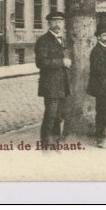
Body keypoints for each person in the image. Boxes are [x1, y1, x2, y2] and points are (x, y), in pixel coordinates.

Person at [34, 11, 72, 145]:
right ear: (49, 24)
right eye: (54, 22)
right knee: (50, 116)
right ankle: (46, 144)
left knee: (59, 116)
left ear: (63, 24)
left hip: (62, 85)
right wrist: (61, 62)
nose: (57, 25)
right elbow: (41, 62)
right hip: (50, 85)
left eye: (60, 22)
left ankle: (56, 142)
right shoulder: (43, 41)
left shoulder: (63, 39)